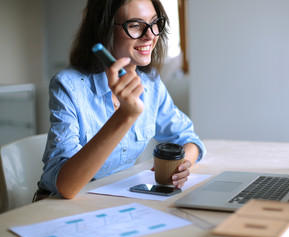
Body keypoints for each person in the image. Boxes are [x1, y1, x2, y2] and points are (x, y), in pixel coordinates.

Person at [36, 0, 206, 200]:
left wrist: (183, 164)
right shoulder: (69, 86)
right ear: (104, 30)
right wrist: (126, 114)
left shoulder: (150, 84)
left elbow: (188, 138)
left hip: (112, 200)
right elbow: (66, 187)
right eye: (135, 25)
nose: (150, 35)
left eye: (154, 23)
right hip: (59, 206)